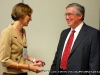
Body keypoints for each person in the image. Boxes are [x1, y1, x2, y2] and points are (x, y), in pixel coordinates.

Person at [49, 3, 100, 75]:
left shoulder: (93, 34)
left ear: (80, 16)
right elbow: (57, 58)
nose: (67, 17)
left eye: (69, 14)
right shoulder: (64, 33)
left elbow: (95, 64)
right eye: (66, 15)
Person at [0, 3, 45, 75]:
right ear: (22, 15)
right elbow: (4, 61)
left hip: (23, 73)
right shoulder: (7, 32)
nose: (31, 19)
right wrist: (28, 67)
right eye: (29, 15)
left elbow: (23, 54)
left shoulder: (23, 32)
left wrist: (33, 60)